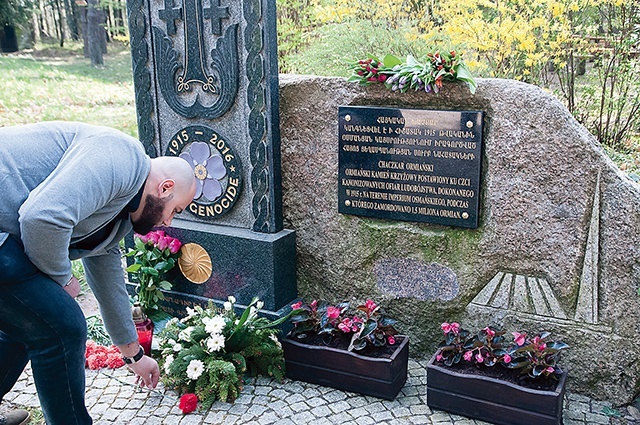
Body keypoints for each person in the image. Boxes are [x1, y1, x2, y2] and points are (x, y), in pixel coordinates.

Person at [0, 121, 197, 425]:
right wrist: (61, 279)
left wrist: (133, 354)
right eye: (176, 210)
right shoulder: (120, 157)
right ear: (165, 188)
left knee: (30, 320)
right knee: (60, 325)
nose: (169, 222)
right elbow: (41, 218)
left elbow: (108, 279)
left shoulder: (120, 215)